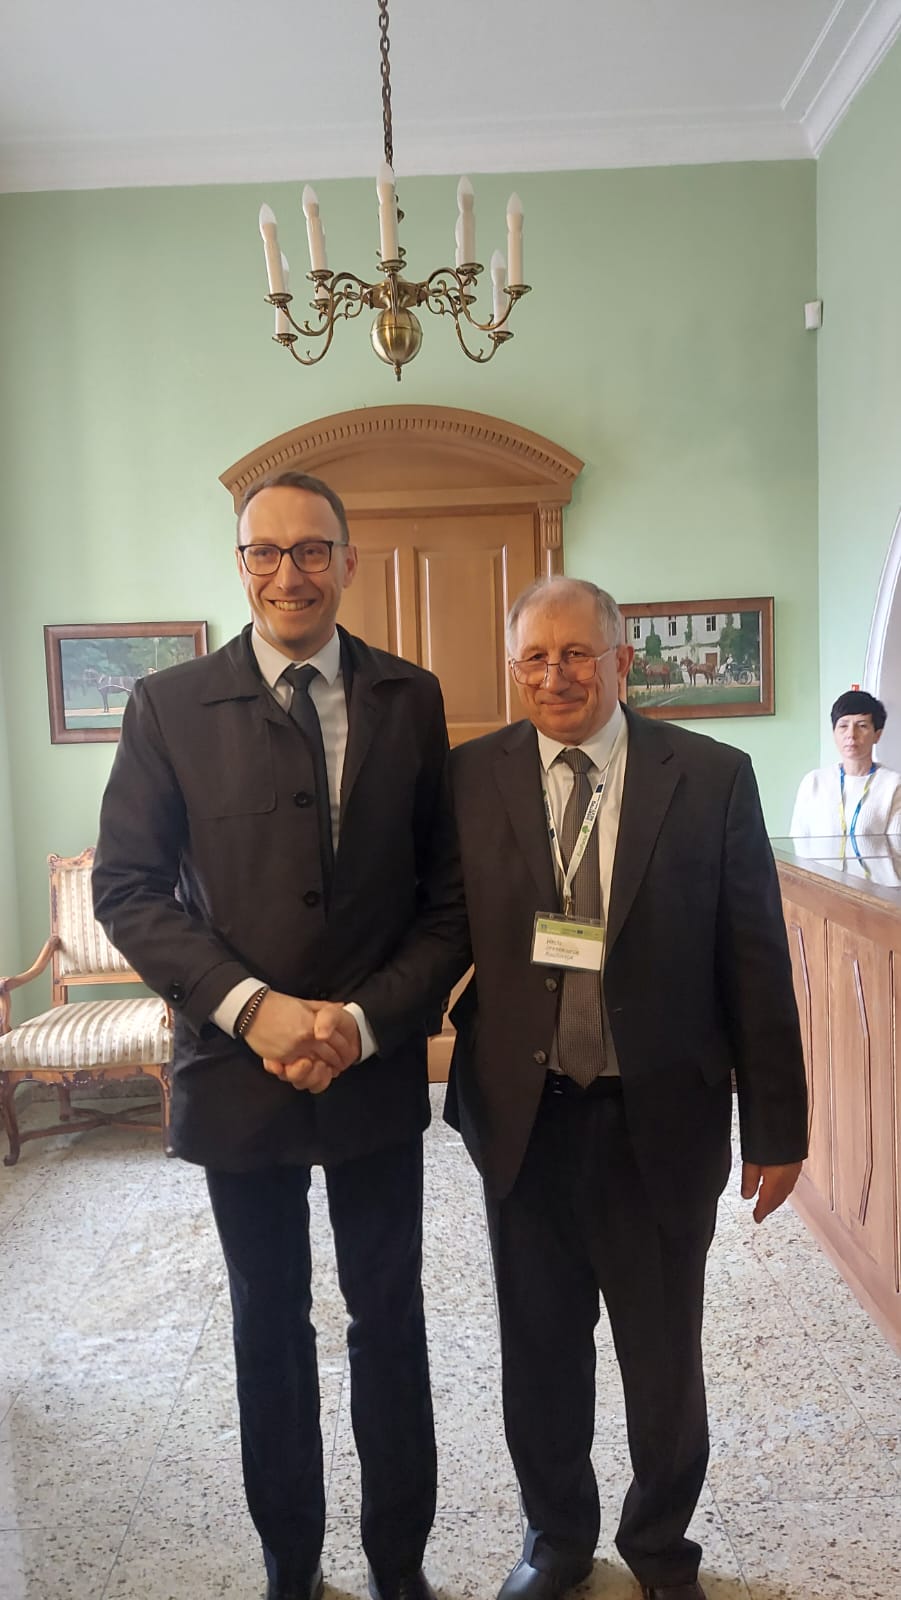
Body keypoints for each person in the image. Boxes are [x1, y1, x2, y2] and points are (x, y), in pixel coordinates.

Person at [93, 470, 468, 1600]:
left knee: (388, 1315)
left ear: (348, 562)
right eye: (266, 551)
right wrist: (255, 1008)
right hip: (234, 1068)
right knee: (268, 1323)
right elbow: (128, 888)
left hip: (371, 1064)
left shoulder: (410, 696)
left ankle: (398, 1563)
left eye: (312, 550)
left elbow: (447, 897)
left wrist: (359, 1019)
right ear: (240, 563)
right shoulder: (168, 705)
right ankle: (290, 1564)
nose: (289, 573)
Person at [445, 576, 808, 1600]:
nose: (554, 675)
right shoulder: (469, 777)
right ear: (514, 668)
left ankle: (659, 1546)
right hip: (524, 1123)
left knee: (662, 1360)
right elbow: (434, 931)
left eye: (576, 653)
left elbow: (754, 960)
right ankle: (555, 1539)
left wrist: (776, 1128)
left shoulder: (710, 776)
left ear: (621, 660)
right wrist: (351, 1027)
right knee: (537, 1354)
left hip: (659, 1120)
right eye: (534, 657)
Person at [789, 689, 901, 845]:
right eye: (843, 726)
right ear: (834, 732)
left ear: (877, 734)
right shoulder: (813, 781)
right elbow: (798, 843)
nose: (851, 734)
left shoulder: (893, 785)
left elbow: (897, 849)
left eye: (862, 726)